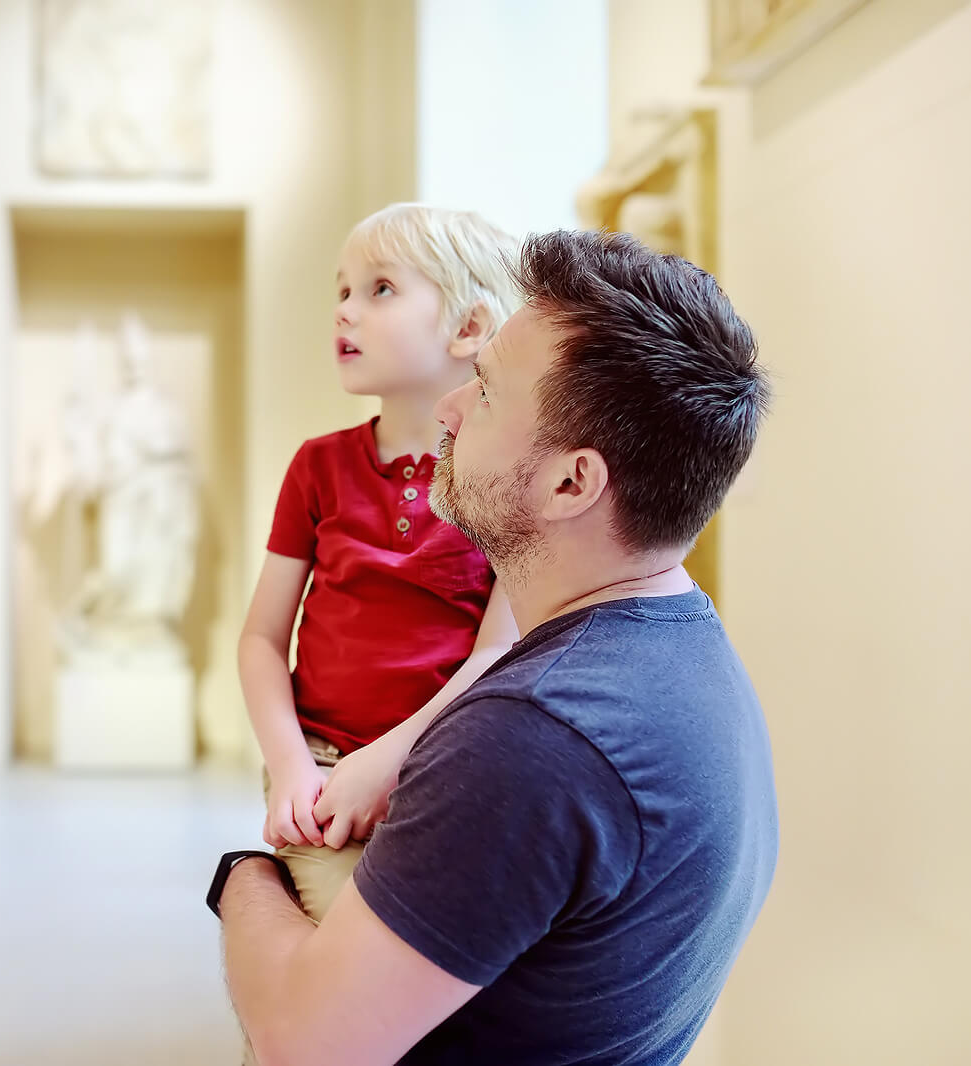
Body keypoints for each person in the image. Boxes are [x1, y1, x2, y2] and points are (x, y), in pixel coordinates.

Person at [211, 229, 778, 1065]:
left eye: (481, 390)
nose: (447, 409)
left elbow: (305, 1042)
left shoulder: (529, 741)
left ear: (569, 482)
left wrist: (242, 879)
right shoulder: (688, 647)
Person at [239, 203, 521, 922]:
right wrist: (290, 768)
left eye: (379, 289)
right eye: (341, 291)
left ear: (469, 327)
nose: (344, 312)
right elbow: (260, 640)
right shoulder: (317, 468)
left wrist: (391, 762)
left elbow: (498, 652)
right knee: (339, 958)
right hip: (323, 768)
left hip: (449, 771)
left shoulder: (500, 483)